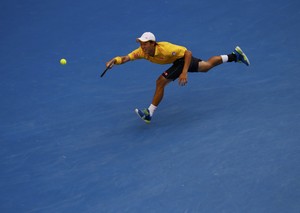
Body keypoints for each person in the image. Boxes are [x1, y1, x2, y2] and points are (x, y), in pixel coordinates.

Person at [106, 32, 250, 123]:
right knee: (206, 66)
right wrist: (115, 60)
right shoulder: (142, 52)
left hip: (183, 59)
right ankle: (234, 56)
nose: (142, 46)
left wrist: (184, 72)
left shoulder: (166, 48)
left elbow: (188, 53)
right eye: (141, 44)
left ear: (152, 43)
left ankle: (149, 112)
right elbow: (126, 58)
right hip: (178, 61)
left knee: (160, 82)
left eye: (144, 44)